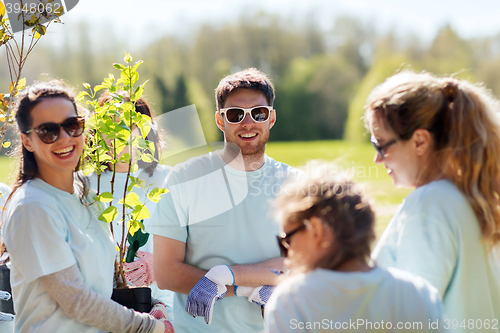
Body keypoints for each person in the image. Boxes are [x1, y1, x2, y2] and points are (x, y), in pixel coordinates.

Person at [1, 81, 173, 333]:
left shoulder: (85, 193)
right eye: (48, 131)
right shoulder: (33, 206)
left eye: (72, 126)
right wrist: (151, 327)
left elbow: (104, 277)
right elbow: (77, 300)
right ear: (27, 141)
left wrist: (156, 303)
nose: (64, 138)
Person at [149, 68, 300, 333]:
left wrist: (226, 276)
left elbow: (303, 263)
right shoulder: (183, 178)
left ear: (271, 118)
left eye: (258, 113)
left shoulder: (297, 185)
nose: (248, 122)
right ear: (220, 120)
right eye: (235, 114)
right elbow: (166, 272)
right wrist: (249, 287)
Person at [365, 71, 500, 331]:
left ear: (419, 141)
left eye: (380, 145)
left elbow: (412, 320)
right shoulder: (475, 199)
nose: (377, 159)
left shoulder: (429, 204)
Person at [264, 161, 448, 333]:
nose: (288, 257)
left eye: (288, 240)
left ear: (316, 231)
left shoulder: (292, 302)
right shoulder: (418, 294)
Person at [87, 91, 174, 323]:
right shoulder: (82, 184)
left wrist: (159, 264)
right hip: (98, 307)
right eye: (109, 124)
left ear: (145, 130)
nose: (118, 135)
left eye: (128, 125)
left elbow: (196, 246)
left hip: (160, 305)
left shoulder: (169, 180)